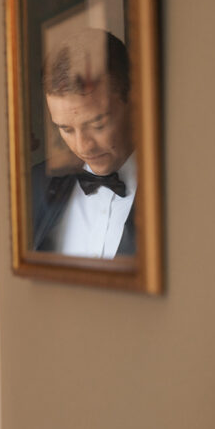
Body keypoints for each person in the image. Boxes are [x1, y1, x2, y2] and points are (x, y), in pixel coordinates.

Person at [31, 28, 136, 258]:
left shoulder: (176, 188)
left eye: (98, 124)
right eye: (66, 129)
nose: (83, 146)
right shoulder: (36, 185)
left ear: (134, 100)